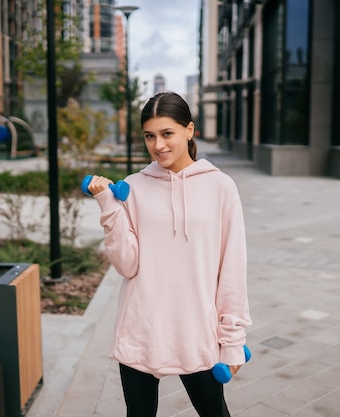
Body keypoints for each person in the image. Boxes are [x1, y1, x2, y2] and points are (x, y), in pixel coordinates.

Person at [87, 92, 251, 417]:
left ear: (189, 130)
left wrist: (231, 340)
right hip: (142, 326)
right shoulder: (133, 186)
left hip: (196, 330)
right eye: (150, 135)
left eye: (167, 133)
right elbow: (127, 265)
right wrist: (109, 206)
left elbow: (232, 268)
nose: (158, 145)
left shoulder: (221, 187)